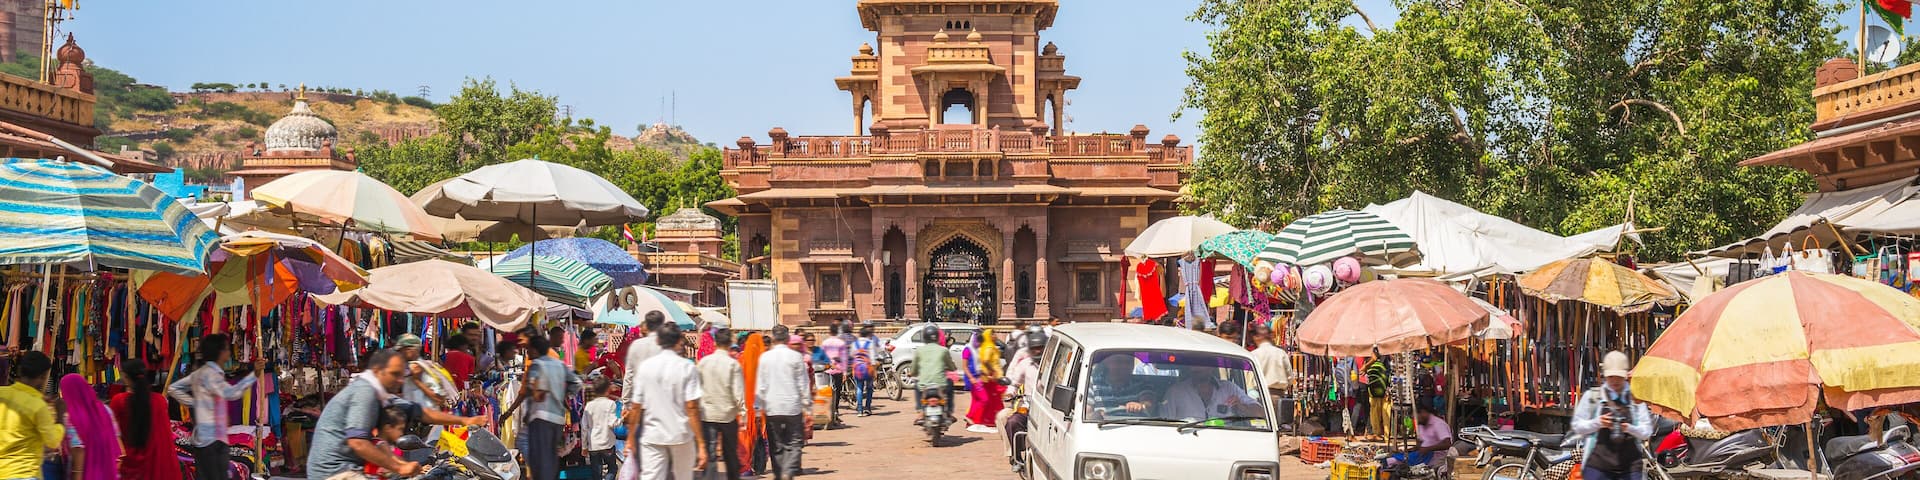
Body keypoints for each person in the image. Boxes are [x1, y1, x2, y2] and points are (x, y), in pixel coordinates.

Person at [308, 348, 419, 479]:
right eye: (395, 374)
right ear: (377, 371)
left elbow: (383, 449)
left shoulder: (379, 397)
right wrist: (400, 468)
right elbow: (358, 442)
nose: (400, 381)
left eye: (402, 375)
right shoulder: (365, 392)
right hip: (335, 472)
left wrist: (405, 465)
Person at [168, 333, 261, 480]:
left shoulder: (200, 373)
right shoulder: (211, 374)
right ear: (220, 352)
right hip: (213, 440)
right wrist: (254, 374)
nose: (229, 353)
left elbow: (173, 389)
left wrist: (194, 402)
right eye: (226, 349)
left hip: (205, 438)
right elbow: (232, 393)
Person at [630, 323, 708, 480]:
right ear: (679, 341)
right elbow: (692, 407)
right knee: (683, 476)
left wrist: (631, 437)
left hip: (653, 434)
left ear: (658, 341)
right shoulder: (687, 367)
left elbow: (636, 406)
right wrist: (701, 443)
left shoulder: (646, 367)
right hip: (681, 434)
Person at [1572, 351, 1653, 480]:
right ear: (1605, 375)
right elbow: (1577, 426)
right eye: (1611, 376)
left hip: (1630, 467)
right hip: (1598, 465)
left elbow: (1646, 432)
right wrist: (1599, 422)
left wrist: (1629, 428)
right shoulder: (1593, 397)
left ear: (1625, 375)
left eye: (1619, 376)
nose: (1615, 380)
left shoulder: (1635, 398)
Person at [755, 325, 810, 480]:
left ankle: (779, 474)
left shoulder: (765, 357)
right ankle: (789, 471)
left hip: (772, 407)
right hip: (792, 406)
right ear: (787, 339)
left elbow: (760, 386)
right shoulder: (796, 357)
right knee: (794, 442)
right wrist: (808, 408)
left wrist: (758, 410)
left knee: (776, 445)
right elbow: (803, 384)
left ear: (773, 338)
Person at [111, 359, 180, 480]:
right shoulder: (160, 401)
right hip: (157, 462)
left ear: (125, 377)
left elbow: (114, 433)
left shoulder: (119, 401)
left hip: (130, 460)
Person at [527, 334, 582, 480]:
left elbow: (534, 388)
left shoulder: (536, 365)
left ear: (534, 349)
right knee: (552, 456)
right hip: (558, 417)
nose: (527, 353)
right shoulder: (560, 364)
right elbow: (577, 382)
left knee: (541, 457)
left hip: (540, 416)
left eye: (528, 349)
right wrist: (566, 395)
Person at [0, 351, 59, 480]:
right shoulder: (38, 406)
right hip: (24, 472)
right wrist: (60, 422)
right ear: (43, 377)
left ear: (20, 370)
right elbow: (52, 441)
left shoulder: (2, 393)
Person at [698, 329, 745, 480]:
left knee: (710, 452)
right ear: (730, 344)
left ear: (715, 343)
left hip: (707, 413)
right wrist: (743, 413)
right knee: (730, 452)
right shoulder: (733, 364)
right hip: (728, 414)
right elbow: (738, 393)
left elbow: (697, 387)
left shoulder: (704, 362)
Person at [999, 331, 1046, 473]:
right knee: (1012, 422)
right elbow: (1014, 383)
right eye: (1034, 348)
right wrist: (1009, 392)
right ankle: (1017, 456)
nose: (1037, 351)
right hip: (1028, 406)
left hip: (1049, 408)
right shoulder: (1025, 364)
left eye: (1040, 347)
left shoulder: (1053, 364)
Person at [59, 373, 119, 480]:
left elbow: (79, 453)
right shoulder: (106, 410)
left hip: (86, 475)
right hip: (108, 472)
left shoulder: (71, 418)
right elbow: (117, 444)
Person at [1161, 365, 1265, 421]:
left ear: (1211, 367)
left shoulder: (1228, 388)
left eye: (1202, 364)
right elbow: (1165, 425)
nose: (1196, 368)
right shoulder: (1175, 392)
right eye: (1194, 365)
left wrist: (1242, 407)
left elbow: (1261, 413)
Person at [1385, 403, 1454, 477]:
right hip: (1424, 455)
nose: (1416, 420)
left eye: (1415, 417)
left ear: (1423, 413)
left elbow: (1448, 444)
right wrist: (1410, 450)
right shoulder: (1422, 424)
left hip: (1437, 457)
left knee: (1394, 461)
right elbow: (1420, 444)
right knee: (1395, 457)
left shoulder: (1438, 424)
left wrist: (1427, 449)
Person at [1085, 353, 1160, 421]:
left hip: (1136, 428)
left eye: (1128, 362)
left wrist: (1140, 406)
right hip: (1101, 428)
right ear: (1107, 362)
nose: (1124, 366)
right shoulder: (1092, 382)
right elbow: (1087, 414)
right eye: (1118, 361)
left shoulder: (1142, 383)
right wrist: (1095, 415)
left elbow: (1149, 403)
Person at [911, 325, 959, 426]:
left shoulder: (919, 351)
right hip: (941, 384)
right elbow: (951, 366)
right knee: (950, 383)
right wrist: (952, 368)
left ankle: (920, 411)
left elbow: (914, 369)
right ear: (937, 337)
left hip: (924, 385)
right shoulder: (943, 350)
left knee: (916, 385)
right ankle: (949, 411)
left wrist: (913, 373)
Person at [963, 329, 1005, 433]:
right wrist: (972, 378)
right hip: (977, 379)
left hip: (982, 377)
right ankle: (972, 417)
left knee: (982, 400)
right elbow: (965, 366)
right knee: (984, 400)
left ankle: (981, 420)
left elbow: (981, 365)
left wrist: (988, 374)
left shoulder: (979, 349)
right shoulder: (969, 349)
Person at [581, 377, 621, 480]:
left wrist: (584, 447)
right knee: (612, 468)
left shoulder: (589, 406)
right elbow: (612, 423)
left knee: (596, 472)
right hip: (607, 443)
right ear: (608, 389)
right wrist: (622, 418)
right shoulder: (610, 404)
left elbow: (584, 428)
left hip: (593, 445)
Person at [818, 324, 849, 428]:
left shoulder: (825, 343)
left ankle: (828, 413)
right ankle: (835, 411)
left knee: (827, 393)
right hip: (838, 370)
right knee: (837, 393)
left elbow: (822, 356)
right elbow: (844, 358)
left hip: (827, 371)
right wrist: (844, 372)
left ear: (829, 332)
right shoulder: (841, 343)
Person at [849, 324, 880, 417]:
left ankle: (859, 410)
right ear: (867, 335)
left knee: (859, 388)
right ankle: (868, 408)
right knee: (869, 388)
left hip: (857, 368)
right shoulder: (870, 343)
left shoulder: (855, 344)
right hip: (868, 368)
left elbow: (852, 355)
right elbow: (873, 359)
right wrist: (875, 370)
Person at [1365, 356, 1390, 436]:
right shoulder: (1385, 358)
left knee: (1375, 414)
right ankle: (1387, 435)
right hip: (1384, 391)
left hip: (1373, 392)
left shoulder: (1368, 362)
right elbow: (1388, 375)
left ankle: (1376, 433)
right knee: (1386, 414)